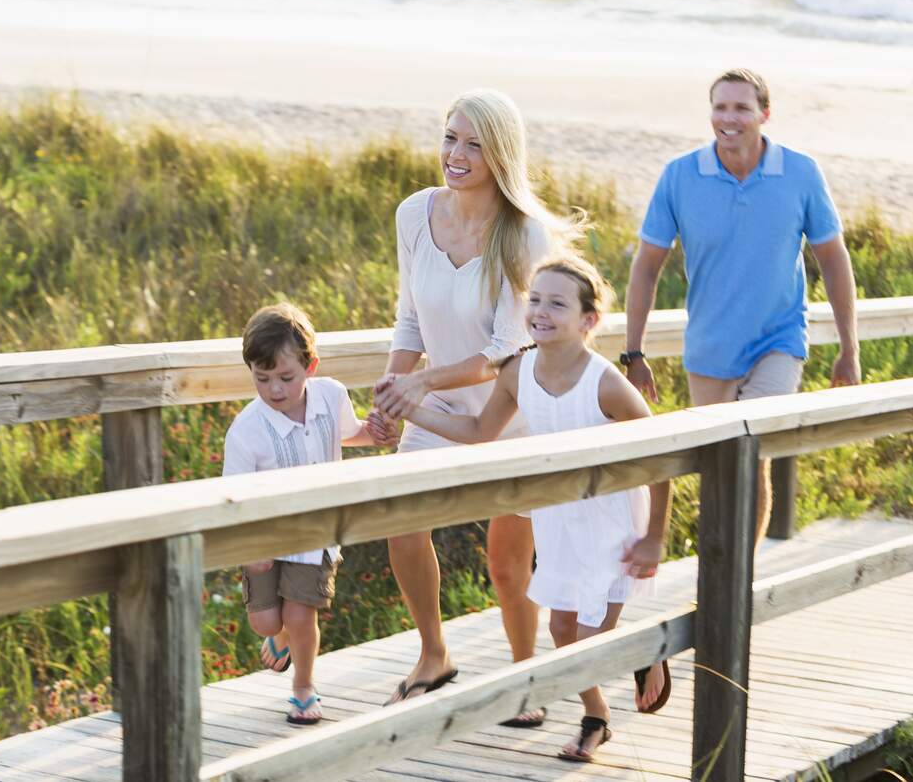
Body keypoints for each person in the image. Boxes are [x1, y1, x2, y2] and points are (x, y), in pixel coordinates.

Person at [392, 256, 673, 762]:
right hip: (558, 518)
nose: (541, 312)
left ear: (588, 321)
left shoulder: (606, 383)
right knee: (563, 631)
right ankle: (597, 716)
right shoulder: (519, 372)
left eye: (558, 304)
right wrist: (411, 407)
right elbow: (479, 433)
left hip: (610, 519)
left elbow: (661, 456)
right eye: (536, 300)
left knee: (591, 635)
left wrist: (655, 535)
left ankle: (646, 650)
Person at [370, 89, 579, 722]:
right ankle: (434, 655)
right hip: (433, 412)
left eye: (473, 144)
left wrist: (422, 384)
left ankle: (525, 681)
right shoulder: (415, 214)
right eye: (450, 138)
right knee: (402, 524)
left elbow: (505, 349)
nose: (455, 155)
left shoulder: (524, 234)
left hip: (507, 416)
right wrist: (389, 393)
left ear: (500, 155)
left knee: (507, 565)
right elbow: (410, 320)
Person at [624, 68, 860, 556]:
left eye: (741, 108)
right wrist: (633, 351)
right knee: (717, 465)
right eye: (720, 107)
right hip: (710, 345)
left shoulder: (799, 173)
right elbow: (647, 266)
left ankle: (739, 572)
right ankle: (718, 566)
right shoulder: (680, 176)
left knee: (752, 451)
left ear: (764, 114)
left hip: (779, 338)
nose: (728, 118)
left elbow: (833, 259)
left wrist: (848, 348)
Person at [223, 302, 383, 725]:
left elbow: (350, 434)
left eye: (285, 378)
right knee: (266, 621)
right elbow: (231, 493)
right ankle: (280, 638)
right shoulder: (247, 430)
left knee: (300, 612)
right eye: (263, 379)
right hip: (265, 533)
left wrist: (375, 433)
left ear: (310, 366)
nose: (275, 389)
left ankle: (303, 690)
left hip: (314, 529)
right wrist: (249, 546)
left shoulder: (331, 396)